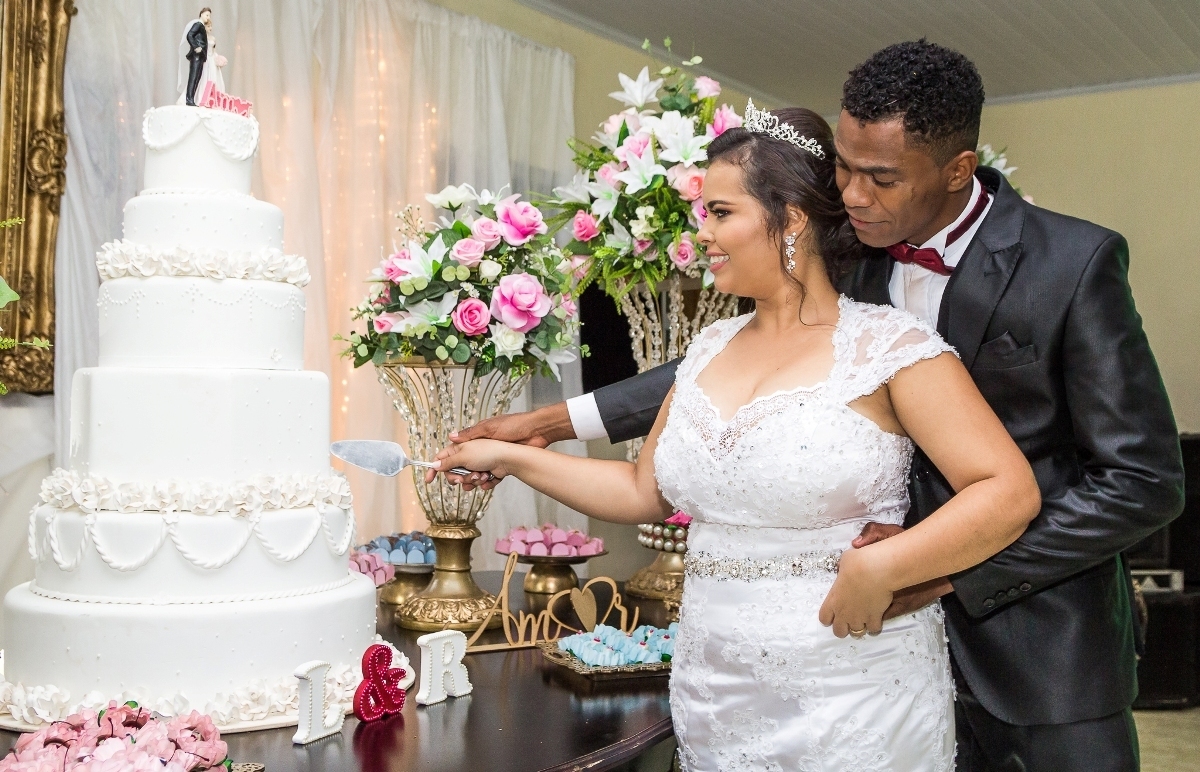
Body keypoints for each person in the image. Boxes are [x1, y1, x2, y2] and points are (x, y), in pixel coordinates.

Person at [446, 42, 1186, 770]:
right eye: (844, 171)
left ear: (957, 169)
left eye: (881, 178)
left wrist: (935, 570)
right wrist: (545, 425)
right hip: (816, 649)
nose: (854, 196)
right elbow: (728, 371)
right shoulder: (847, 253)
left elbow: (1143, 481)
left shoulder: (1071, 264)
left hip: (1038, 643)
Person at [177, 7, 227, 107]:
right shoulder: (198, 24)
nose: (208, 17)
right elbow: (189, 35)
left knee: (197, 78)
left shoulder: (202, 27)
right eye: (207, 15)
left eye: (209, 16)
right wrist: (196, 47)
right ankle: (189, 99)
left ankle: (192, 99)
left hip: (202, 57)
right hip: (197, 56)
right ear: (201, 14)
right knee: (193, 77)